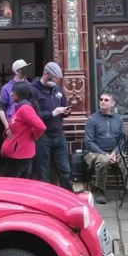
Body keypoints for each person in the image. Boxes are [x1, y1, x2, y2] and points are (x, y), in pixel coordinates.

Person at [84, 93, 128, 204]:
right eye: (101, 99)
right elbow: (89, 142)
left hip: (114, 152)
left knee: (127, 159)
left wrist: (115, 152)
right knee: (103, 160)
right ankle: (98, 189)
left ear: (113, 103)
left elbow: (123, 138)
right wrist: (104, 154)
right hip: (95, 152)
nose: (103, 102)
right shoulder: (92, 119)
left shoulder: (118, 119)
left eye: (106, 100)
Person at [31, 62, 73, 191]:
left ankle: (69, 196)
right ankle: (44, 198)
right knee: (43, 171)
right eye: (53, 78)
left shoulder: (58, 89)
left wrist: (66, 112)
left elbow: (64, 105)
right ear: (45, 74)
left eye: (57, 79)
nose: (55, 81)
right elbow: (32, 115)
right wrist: (52, 113)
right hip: (43, 137)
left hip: (59, 135)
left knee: (65, 170)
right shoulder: (33, 90)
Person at [0, 82, 46, 179]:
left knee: (9, 182)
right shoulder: (20, 108)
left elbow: (40, 126)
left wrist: (33, 136)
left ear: (20, 93)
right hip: (17, 153)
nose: (11, 94)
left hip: (20, 154)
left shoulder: (25, 109)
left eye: (13, 91)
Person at [0, 59, 31, 140]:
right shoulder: (6, 88)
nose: (25, 70)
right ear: (16, 72)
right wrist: (7, 126)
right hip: (13, 125)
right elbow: (1, 108)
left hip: (28, 125)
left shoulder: (31, 86)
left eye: (26, 68)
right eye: (23, 69)